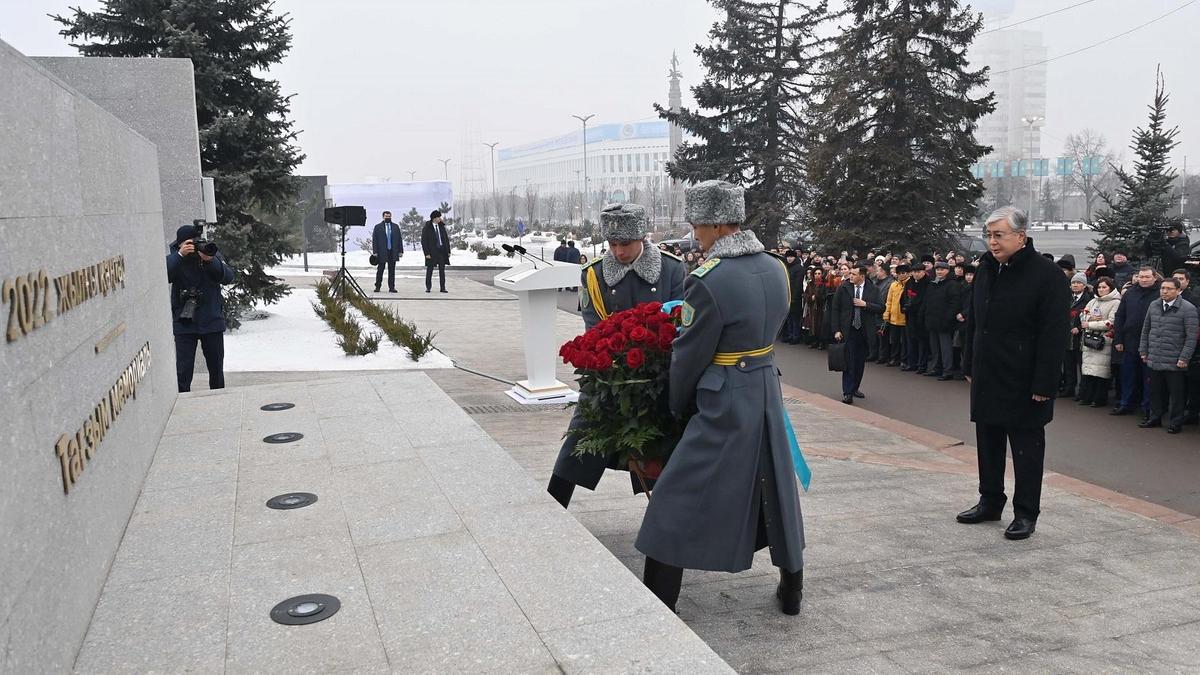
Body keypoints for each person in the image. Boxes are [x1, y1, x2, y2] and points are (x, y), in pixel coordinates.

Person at [635, 179, 805, 616]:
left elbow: (689, 355)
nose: (693, 230)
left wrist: (677, 405)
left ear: (713, 224)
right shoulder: (775, 267)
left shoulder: (708, 280)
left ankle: (658, 605)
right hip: (766, 388)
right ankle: (792, 590)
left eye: (696, 222)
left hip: (723, 397)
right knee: (778, 490)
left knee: (673, 498)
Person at [547, 203, 686, 509]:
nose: (619, 252)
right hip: (609, 376)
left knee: (657, 450)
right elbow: (594, 329)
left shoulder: (672, 269)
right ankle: (552, 507)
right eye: (612, 244)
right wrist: (613, 369)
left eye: (625, 244)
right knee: (579, 440)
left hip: (655, 377)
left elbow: (678, 324)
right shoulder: (594, 274)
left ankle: (662, 519)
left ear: (642, 237)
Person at [959, 206, 1069, 541]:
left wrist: (1044, 383)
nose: (992, 242)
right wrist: (968, 363)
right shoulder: (987, 269)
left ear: (1020, 237)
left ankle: (1026, 512)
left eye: (999, 235)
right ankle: (990, 500)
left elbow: (1055, 333)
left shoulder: (1046, 275)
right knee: (988, 442)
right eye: (989, 235)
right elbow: (974, 321)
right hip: (988, 372)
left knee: (1026, 448)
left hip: (1025, 378)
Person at [166, 223, 235, 393]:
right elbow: (164, 273)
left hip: (211, 321)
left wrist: (210, 260)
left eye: (196, 242)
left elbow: (228, 276)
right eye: (190, 243)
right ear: (181, 243)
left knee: (216, 369)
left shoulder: (209, 254)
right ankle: (182, 399)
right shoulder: (176, 258)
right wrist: (180, 255)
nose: (195, 247)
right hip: (184, 322)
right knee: (183, 371)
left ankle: (218, 398)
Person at [1138, 277, 1198, 433]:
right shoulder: (1154, 305)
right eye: (1163, 288)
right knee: (1155, 391)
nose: (1165, 291)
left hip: (1175, 360)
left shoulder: (1188, 308)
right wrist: (1143, 350)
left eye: (1169, 289)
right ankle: (1155, 417)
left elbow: (1191, 337)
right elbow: (1146, 330)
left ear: (1178, 291)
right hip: (1155, 356)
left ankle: (1175, 422)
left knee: (1177, 394)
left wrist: (1184, 358)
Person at [1111, 267, 1161, 418]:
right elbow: (1120, 316)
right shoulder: (1130, 293)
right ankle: (1126, 404)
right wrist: (1118, 339)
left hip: (1151, 342)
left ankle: (1148, 408)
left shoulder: (1159, 294)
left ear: (1154, 278)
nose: (1144, 280)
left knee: (1148, 378)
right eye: (1141, 277)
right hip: (1130, 341)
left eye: (1147, 277)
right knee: (1128, 375)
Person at [831, 265, 884, 404]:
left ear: (862, 276)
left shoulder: (873, 289)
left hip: (865, 331)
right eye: (850, 274)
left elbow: (881, 308)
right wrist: (836, 329)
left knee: (860, 362)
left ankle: (855, 388)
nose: (850, 276)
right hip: (848, 330)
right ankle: (847, 392)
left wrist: (865, 304)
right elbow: (835, 309)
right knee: (848, 361)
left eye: (854, 274)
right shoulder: (844, 288)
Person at [1078, 277, 1121, 407]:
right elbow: (1083, 316)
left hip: (1103, 341)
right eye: (1099, 287)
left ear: (1110, 288)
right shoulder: (1092, 301)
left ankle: (1099, 398)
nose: (1101, 290)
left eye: (1104, 287)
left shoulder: (1116, 302)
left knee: (1101, 372)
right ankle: (1087, 396)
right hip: (1089, 340)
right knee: (1088, 370)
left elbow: (1111, 322)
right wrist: (1090, 318)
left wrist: (1090, 324)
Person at [921, 261, 963, 380]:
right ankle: (935, 368)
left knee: (945, 348)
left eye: (942, 269)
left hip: (944, 321)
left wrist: (948, 318)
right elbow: (927, 301)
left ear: (948, 271)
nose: (939, 272)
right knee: (934, 347)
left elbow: (954, 303)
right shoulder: (933, 284)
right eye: (937, 269)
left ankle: (947, 370)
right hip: (932, 320)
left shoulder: (952, 284)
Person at [1062, 273, 1094, 399]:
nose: (1075, 285)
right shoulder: (1066, 298)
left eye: (1078, 283)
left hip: (1080, 337)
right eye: (1073, 283)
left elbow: (1090, 318)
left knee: (1082, 365)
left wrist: (1080, 328)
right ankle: (1069, 388)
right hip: (1066, 336)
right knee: (1068, 364)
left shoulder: (1088, 299)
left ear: (1084, 285)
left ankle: (1083, 392)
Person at [901, 264, 930, 372]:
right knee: (910, 340)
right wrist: (905, 306)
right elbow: (904, 296)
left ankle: (922, 365)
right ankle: (911, 363)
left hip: (921, 316)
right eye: (914, 272)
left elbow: (926, 299)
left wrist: (915, 306)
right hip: (910, 315)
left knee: (922, 341)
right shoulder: (909, 282)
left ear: (924, 272)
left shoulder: (928, 283)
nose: (916, 274)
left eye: (919, 272)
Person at [881, 264, 910, 367]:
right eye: (899, 273)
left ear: (908, 273)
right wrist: (886, 313)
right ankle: (894, 358)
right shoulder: (893, 285)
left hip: (905, 318)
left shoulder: (909, 284)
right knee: (894, 340)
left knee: (905, 341)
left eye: (903, 273)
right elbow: (889, 301)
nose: (901, 275)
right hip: (894, 317)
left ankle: (904, 359)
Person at [371, 211, 403, 293]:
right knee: (380, 270)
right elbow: (375, 240)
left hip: (392, 251)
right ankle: (377, 286)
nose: (388, 217)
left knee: (392, 271)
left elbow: (399, 239)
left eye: (389, 216)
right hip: (382, 252)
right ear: (383, 217)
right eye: (386, 216)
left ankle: (392, 287)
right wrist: (375, 251)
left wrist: (400, 251)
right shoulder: (378, 227)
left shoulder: (395, 227)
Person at [421, 210, 451, 293]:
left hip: (441, 251)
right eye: (438, 217)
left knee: (442, 270)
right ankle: (428, 287)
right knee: (430, 270)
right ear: (434, 218)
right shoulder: (427, 228)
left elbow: (446, 240)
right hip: (431, 252)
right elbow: (424, 241)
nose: (440, 219)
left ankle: (443, 287)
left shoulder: (441, 227)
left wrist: (448, 251)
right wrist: (426, 253)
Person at [803, 268, 827, 349]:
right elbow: (805, 294)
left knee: (821, 325)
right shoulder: (810, 283)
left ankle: (821, 342)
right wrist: (810, 297)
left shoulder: (824, 284)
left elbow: (825, 295)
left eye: (819, 273)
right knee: (813, 325)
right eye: (816, 273)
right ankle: (814, 341)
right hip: (812, 307)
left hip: (821, 307)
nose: (817, 275)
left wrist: (817, 297)